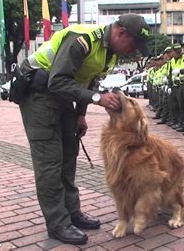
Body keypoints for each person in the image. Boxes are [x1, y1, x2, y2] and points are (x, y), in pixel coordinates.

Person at [17, 14, 150, 245]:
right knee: (50, 162)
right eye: (133, 45)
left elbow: (87, 81)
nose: (133, 52)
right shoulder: (83, 40)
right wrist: (97, 99)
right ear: (121, 33)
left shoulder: (111, 53)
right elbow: (57, 81)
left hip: (64, 97)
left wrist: (80, 115)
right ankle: (58, 224)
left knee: (69, 156)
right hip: (39, 94)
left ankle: (72, 212)